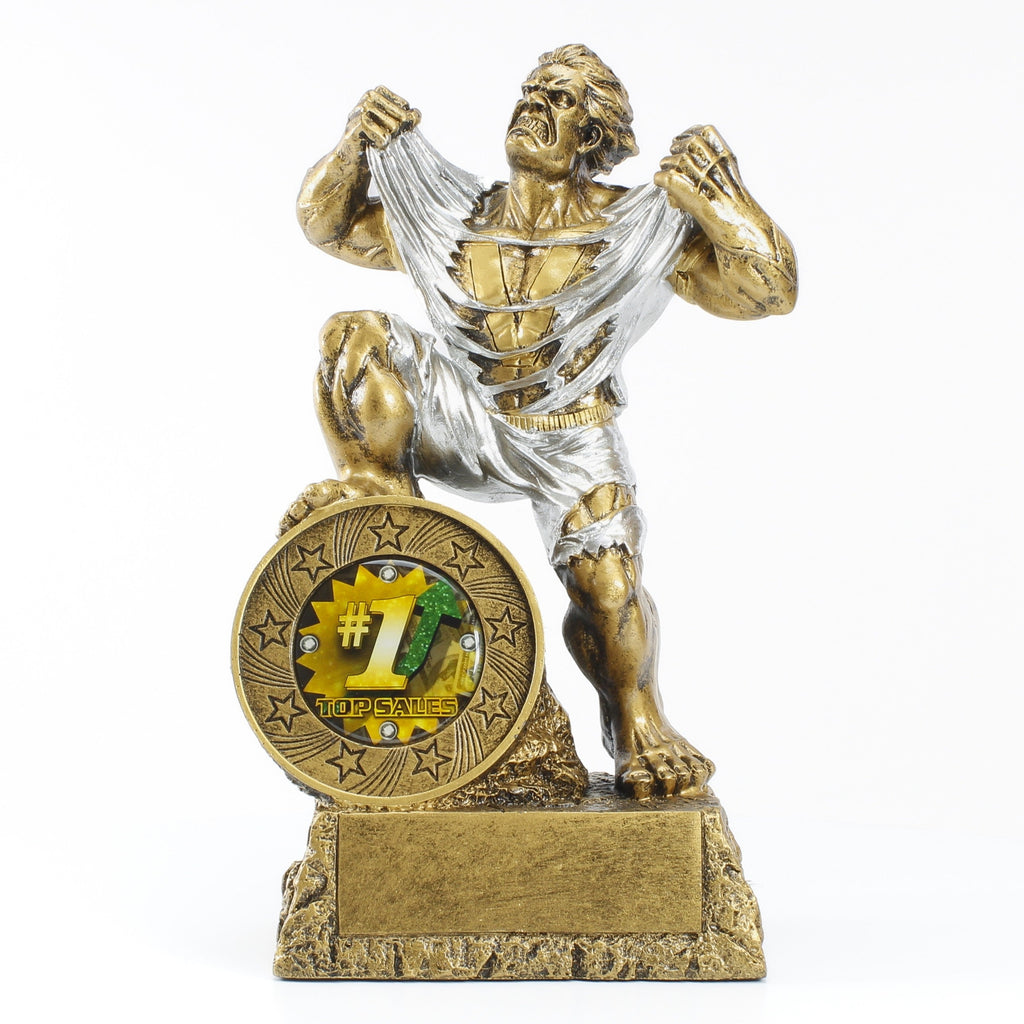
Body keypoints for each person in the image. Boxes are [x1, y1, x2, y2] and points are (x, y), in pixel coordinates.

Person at [286, 44, 796, 799]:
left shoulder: (641, 229)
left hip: (572, 433)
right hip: (464, 412)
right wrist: (354, 144)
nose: (532, 104)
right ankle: (378, 491)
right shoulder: (451, 217)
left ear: (592, 135)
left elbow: (768, 292)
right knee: (353, 333)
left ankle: (636, 722)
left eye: (557, 98)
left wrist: (725, 201)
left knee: (610, 590)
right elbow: (326, 226)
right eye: (529, 91)